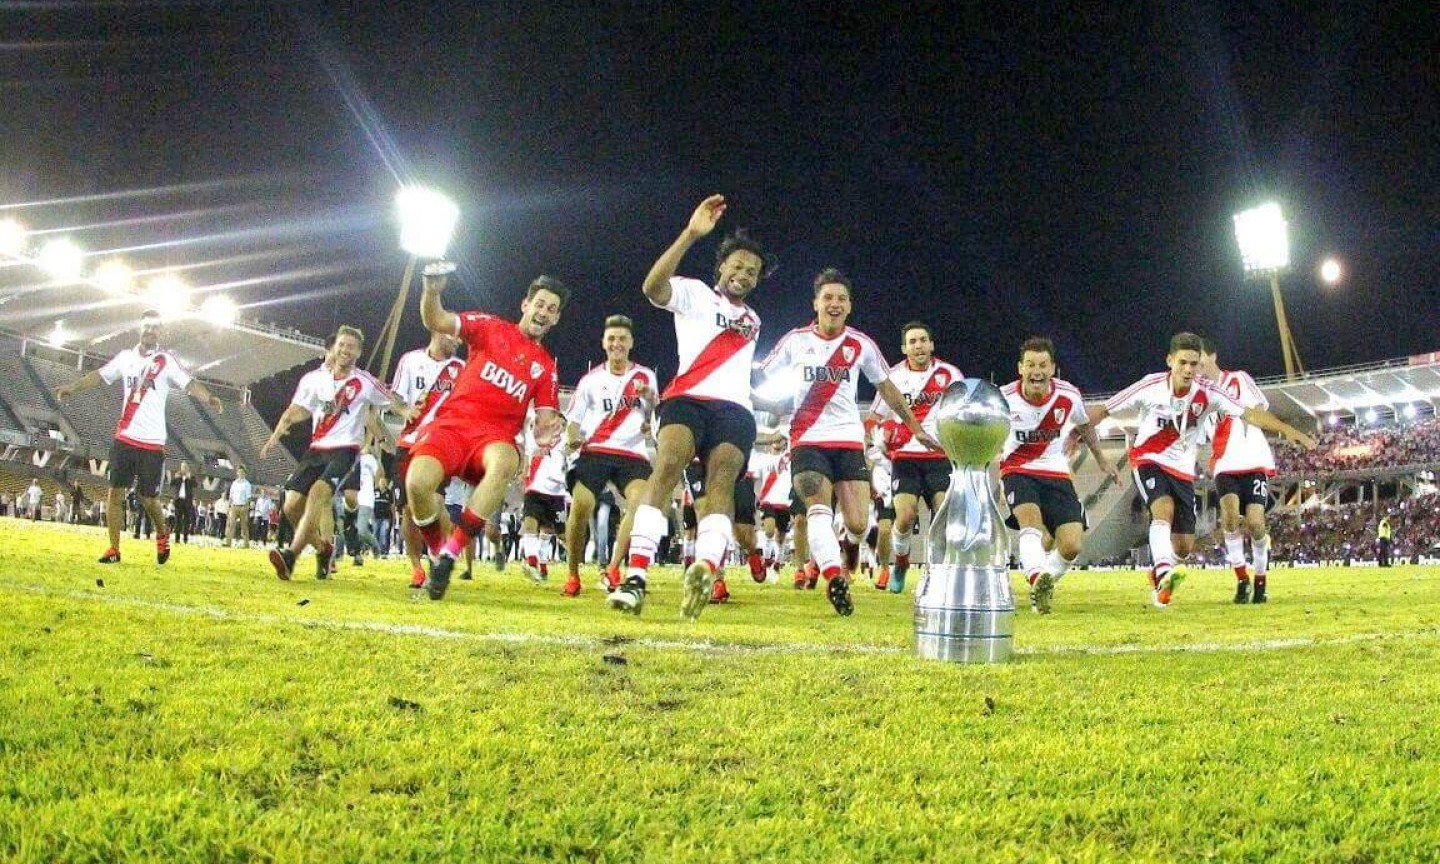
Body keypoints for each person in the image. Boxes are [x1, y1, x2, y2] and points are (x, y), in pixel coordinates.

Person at [608, 195, 767, 620]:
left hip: (735, 409)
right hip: (686, 399)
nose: (744, 274)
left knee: (721, 485)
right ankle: (636, 576)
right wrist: (691, 234)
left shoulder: (753, 321)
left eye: (752, 272)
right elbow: (651, 288)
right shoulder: (694, 293)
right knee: (667, 466)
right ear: (721, 268)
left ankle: (706, 567)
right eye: (737, 266)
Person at [756, 268, 940, 616]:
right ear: (816, 303)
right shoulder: (795, 341)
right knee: (818, 510)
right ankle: (832, 575)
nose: (834, 303)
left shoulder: (861, 345)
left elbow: (888, 388)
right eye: (828, 297)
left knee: (857, 523)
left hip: (848, 440)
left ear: (850, 305)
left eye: (841, 298)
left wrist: (915, 426)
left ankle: (850, 549)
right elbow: (761, 374)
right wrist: (752, 400)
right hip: (807, 439)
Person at [1084, 333, 1315, 608]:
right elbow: (1105, 409)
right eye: (1183, 363)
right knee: (1163, 509)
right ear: (1170, 361)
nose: (1189, 370)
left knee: (1183, 547)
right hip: (1148, 458)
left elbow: (1250, 413)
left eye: (1194, 364)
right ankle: (1164, 575)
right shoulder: (1150, 386)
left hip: (1184, 469)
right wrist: (1075, 434)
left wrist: (1287, 429)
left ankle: (1163, 568)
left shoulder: (1211, 393)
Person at [404, 263, 566, 600]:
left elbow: (546, 417)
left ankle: (451, 554)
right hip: (452, 425)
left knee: (505, 460)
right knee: (417, 484)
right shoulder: (489, 327)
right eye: (540, 304)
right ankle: (438, 551)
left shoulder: (546, 367)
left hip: (494, 438)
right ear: (526, 304)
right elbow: (436, 320)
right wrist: (431, 291)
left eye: (552, 309)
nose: (544, 312)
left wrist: (547, 432)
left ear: (556, 320)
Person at [54, 309, 224, 564]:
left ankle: (162, 532)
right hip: (125, 437)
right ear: (140, 329)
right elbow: (99, 376)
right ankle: (114, 549)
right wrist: (72, 387)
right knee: (115, 493)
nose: (150, 330)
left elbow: (189, 383)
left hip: (152, 443)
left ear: (160, 331)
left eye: (155, 327)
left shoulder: (166, 360)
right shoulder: (125, 358)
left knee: (149, 499)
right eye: (146, 326)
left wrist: (209, 398)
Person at [261, 326, 411, 580]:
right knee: (290, 506)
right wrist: (275, 435)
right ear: (334, 347)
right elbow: (299, 410)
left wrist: (408, 412)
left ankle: (291, 556)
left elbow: (391, 398)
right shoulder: (314, 379)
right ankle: (323, 548)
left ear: (358, 352)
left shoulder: (364, 381)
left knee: (319, 494)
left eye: (351, 346)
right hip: (316, 449)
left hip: (345, 450)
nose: (345, 350)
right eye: (342, 345)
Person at [999, 336, 1120, 614]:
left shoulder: (1068, 395)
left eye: (1042, 365)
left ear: (1052, 368)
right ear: (1020, 368)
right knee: (1032, 524)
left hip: (1056, 472)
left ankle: (1043, 585)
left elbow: (1086, 425)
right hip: (1017, 469)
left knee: (1071, 545)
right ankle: (1036, 576)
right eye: (1030, 365)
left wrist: (1102, 459)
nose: (1036, 371)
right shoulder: (1004, 398)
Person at [562, 314, 658, 597]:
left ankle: (614, 568)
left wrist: (649, 404)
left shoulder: (645, 376)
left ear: (631, 343)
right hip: (596, 450)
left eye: (622, 339)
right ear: (604, 343)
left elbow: (653, 411)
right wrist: (572, 439)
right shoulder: (591, 380)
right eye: (612, 339)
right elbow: (573, 420)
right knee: (580, 506)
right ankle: (572, 574)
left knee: (640, 505)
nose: (617, 343)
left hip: (632, 453)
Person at [865, 321, 963, 594]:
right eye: (912, 341)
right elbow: (873, 419)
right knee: (905, 517)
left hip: (939, 456)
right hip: (904, 457)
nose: (918, 345)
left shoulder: (951, 374)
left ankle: (937, 574)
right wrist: (880, 442)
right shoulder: (892, 377)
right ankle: (901, 562)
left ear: (932, 344)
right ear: (904, 348)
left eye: (923, 340)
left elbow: (962, 413)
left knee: (943, 515)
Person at [1198, 341, 1279, 603]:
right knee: (1230, 519)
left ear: (1212, 356)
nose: (1196, 367)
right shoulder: (1198, 395)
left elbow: (1261, 408)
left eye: (1199, 359)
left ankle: (1261, 580)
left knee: (1256, 523)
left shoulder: (1239, 379)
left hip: (1254, 460)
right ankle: (1242, 580)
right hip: (1224, 464)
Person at [390, 329, 466, 588]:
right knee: (409, 511)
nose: (458, 341)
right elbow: (395, 397)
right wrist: (404, 409)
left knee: (434, 503)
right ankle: (417, 568)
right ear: (437, 331)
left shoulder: (462, 368)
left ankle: (439, 554)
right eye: (453, 336)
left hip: (441, 445)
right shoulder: (410, 361)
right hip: (409, 442)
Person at [223, 467, 254, 548]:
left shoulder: (247, 484)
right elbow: (231, 496)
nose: (240, 473)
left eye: (242, 472)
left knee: (244, 526)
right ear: (237, 473)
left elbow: (248, 497)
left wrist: (245, 506)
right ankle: (228, 542)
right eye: (239, 472)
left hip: (243, 507)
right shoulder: (234, 483)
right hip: (234, 506)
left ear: (244, 473)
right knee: (231, 524)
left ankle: (246, 544)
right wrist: (228, 506)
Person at [170, 461, 197, 543]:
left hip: (187, 502)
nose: (183, 468)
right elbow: (171, 484)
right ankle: (177, 539)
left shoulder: (191, 477)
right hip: (179, 501)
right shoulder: (178, 476)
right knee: (178, 521)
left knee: (186, 521)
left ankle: (185, 539)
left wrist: (189, 478)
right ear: (181, 468)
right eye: (182, 467)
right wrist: (175, 477)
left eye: (185, 467)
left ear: (187, 468)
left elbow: (195, 485)